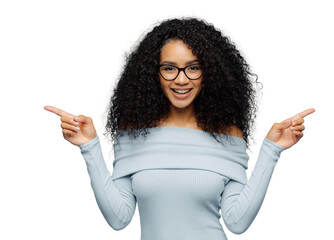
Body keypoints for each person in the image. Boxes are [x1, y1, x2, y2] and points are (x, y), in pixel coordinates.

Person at [44, 17, 315, 240]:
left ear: (208, 73)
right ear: (153, 73)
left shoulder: (228, 134)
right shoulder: (134, 132)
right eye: (169, 68)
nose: (181, 80)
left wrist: (272, 150)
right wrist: (90, 148)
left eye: (193, 68)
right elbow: (118, 218)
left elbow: (237, 222)